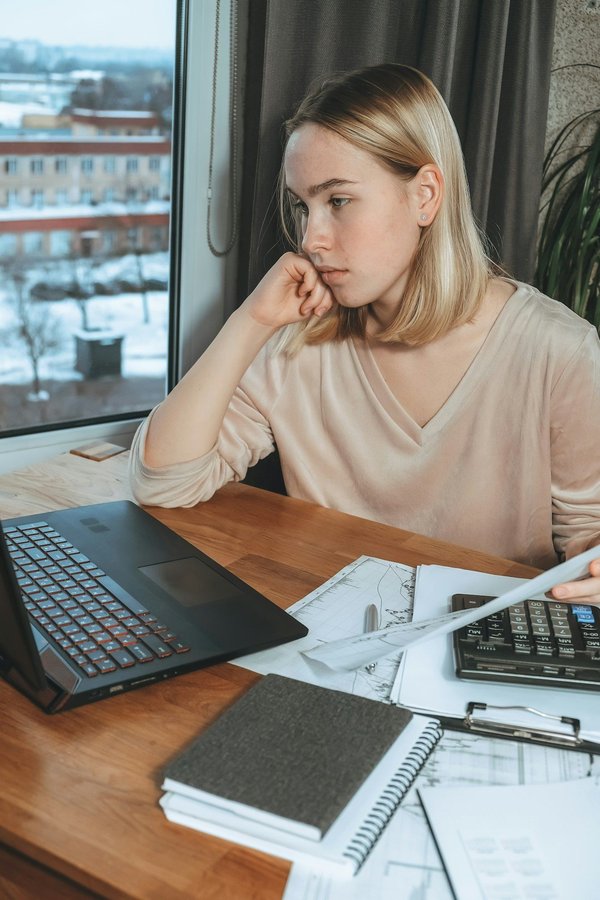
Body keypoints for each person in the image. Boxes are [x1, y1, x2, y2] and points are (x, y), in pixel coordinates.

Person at [129, 63, 600, 604]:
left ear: (424, 195)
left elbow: (589, 532)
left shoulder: (558, 351)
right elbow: (162, 483)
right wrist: (250, 322)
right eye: (303, 206)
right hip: (327, 637)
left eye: (339, 201)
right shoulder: (298, 340)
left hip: (481, 650)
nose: (313, 240)